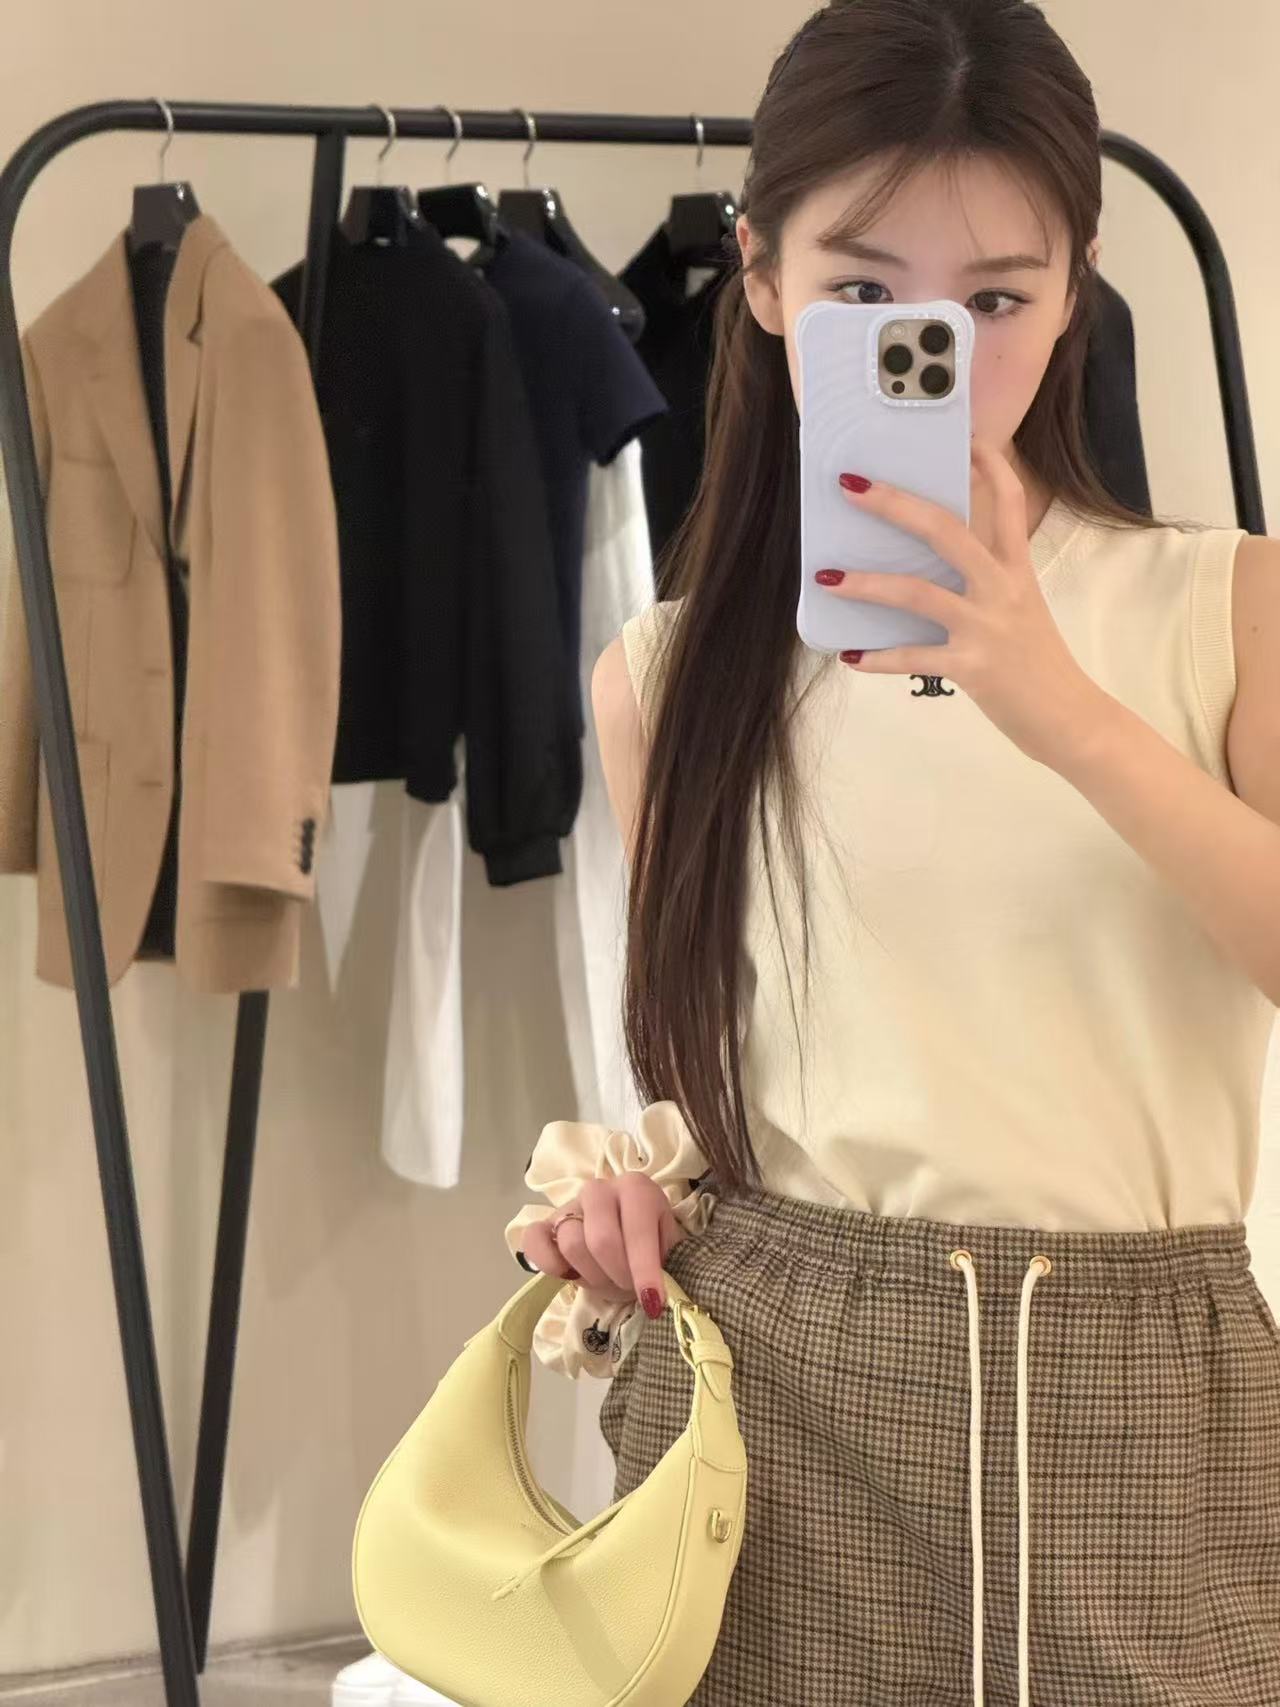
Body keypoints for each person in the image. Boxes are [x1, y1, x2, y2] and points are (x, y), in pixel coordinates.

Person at [509, 1, 1280, 1702]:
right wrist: (634, 1197)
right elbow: (730, 1092)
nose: (935, 346)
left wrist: (1053, 701)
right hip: (783, 1401)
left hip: (1141, 1413)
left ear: (1078, 292)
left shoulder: (1229, 606)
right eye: (863, 294)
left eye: (995, 299)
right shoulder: (665, 678)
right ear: (760, 279)